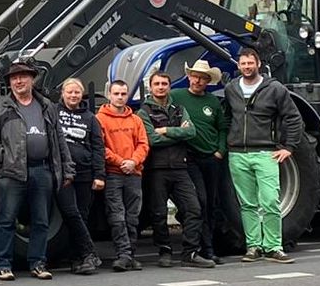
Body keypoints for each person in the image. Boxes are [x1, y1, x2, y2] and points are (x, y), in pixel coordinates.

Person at [226, 45, 306, 264]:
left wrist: (289, 147)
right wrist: (226, 144)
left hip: (265, 153)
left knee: (270, 200)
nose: (247, 67)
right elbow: (227, 118)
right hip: (238, 154)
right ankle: (253, 246)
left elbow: (293, 117)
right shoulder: (231, 89)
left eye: (250, 63)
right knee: (247, 204)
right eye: (243, 63)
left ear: (258, 64)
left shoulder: (275, 89)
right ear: (238, 65)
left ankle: (273, 246)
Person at [0, 62, 66, 281]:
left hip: (42, 169)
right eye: (14, 78)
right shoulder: (1, 107)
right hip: (12, 172)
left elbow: (58, 137)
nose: (19, 81)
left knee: (41, 220)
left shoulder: (46, 106)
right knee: (6, 219)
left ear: (32, 80)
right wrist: (1, 156)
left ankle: (38, 263)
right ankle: (3, 264)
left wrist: (64, 169)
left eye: (23, 77)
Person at [139, 70, 213, 268]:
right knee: (158, 213)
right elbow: (151, 140)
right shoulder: (144, 112)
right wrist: (177, 134)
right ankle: (165, 251)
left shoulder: (179, 108)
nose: (161, 87)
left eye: (164, 83)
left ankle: (190, 253)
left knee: (194, 208)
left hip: (181, 167)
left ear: (169, 86)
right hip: (157, 169)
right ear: (151, 87)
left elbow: (191, 131)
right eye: (157, 84)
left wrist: (166, 130)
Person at [175, 59, 234, 264]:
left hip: (211, 158)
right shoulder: (177, 95)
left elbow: (222, 128)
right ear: (189, 77)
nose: (197, 80)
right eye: (195, 76)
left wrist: (220, 151)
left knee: (211, 203)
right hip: (190, 158)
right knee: (199, 201)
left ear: (208, 81)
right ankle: (200, 247)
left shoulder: (213, 102)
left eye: (202, 78)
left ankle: (208, 249)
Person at [52, 77, 105, 276]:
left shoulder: (91, 118)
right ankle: (90, 253)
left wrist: (99, 175)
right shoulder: (53, 112)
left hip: (86, 173)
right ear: (62, 93)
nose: (73, 95)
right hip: (64, 173)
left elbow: (98, 148)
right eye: (69, 92)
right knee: (71, 213)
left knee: (82, 216)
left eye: (76, 92)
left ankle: (78, 259)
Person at [96, 79, 149, 272]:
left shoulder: (136, 120)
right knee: (117, 216)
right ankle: (123, 254)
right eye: (116, 93)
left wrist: (134, 161)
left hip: (134, 172)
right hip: (113, 174)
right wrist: (120, 162)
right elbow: (100, 147)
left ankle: (129, 255)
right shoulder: (100, 119)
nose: (120, 97)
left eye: (123, 94)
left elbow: (143, 144)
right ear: (109, 94)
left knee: (132, 217)